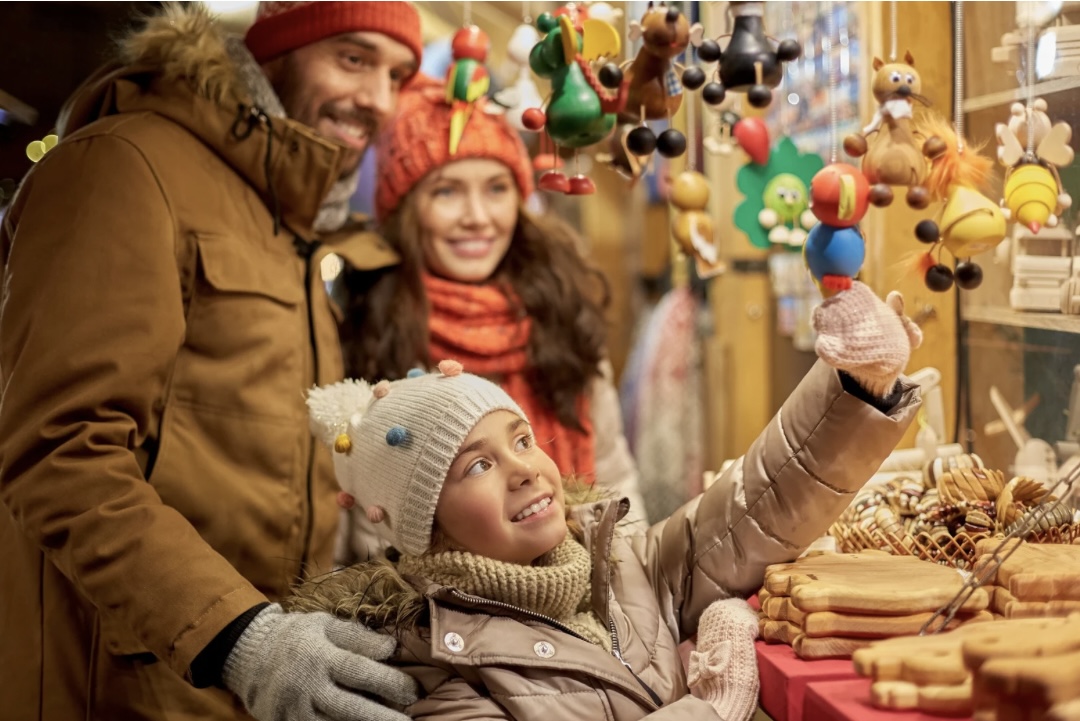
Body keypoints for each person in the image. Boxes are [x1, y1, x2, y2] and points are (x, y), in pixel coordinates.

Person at [0, 2, 427, 719]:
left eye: (399, 74)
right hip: (123, 689)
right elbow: (59, 450)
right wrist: (241, 636)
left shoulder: (283, 222)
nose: (379, 100)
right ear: (272, 52)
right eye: (351, 58)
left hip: (245, 686)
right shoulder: (125, 165)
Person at [288, 299, 922, 720]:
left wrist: (853, 387)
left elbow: (753, 507)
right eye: (477, 466)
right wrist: (712, 706)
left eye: (521, 440)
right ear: (424, 526)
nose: (523, 470)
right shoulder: (434, 669)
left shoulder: (621, 563)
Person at [336, 75, 649, 558]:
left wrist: (629, 593)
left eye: (497, 188)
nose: (478, 216)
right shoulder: (368, 329)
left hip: (585, 591)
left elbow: (613, 478)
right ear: (404, 208)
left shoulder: (558, 309)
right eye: (446, 192)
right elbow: (366, 535)